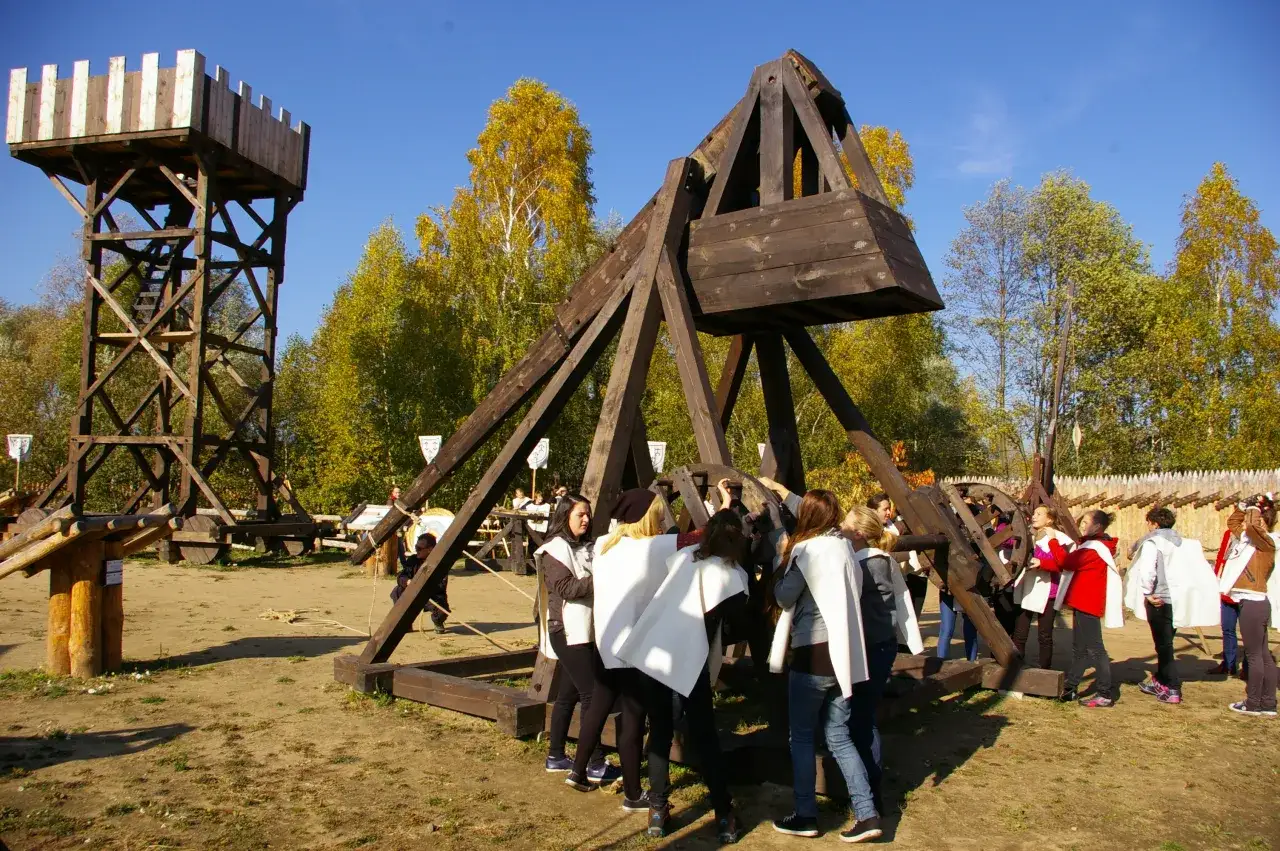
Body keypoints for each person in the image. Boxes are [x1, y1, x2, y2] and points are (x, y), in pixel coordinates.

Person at [619, 509, 749, 844]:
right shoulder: (729, 575)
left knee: (660, 732)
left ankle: (657, 810)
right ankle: (724, 814)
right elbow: (739, 623)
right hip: (687, 658)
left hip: (653, 652)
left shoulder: (685, 558)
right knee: (704, 736)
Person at [768, 490, 878, 844]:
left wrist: (780, 558)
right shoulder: (846, 548)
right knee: (839, 736)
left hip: (812, 653)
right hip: (844, 655)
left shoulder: (807, 550)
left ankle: (805, 814)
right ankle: (867, 813)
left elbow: (783, 596)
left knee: (801, 736)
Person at [565, 490, 675, 818]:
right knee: (632, 721)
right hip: (633, 650)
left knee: (597, 709)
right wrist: (726, 506)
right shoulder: (653, 547)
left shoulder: (603, 545)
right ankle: (633, 794)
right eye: (657, 513)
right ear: (644, 516)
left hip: (606, 644)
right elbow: (700, 539)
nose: (661, 519)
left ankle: (578, 770)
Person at [841, 505, 923, 836]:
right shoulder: (884, 560)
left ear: (859, 533)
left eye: (846, 523)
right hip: (882, 646)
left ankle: (870, 799)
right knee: (864, 718)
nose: (841, 526)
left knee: (859, 721)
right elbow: (900, 602)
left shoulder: (863, 565)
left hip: (868, 649)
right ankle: (871, 793)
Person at [534, 494, 620, 784]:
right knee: (592, 695)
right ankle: (594, 763)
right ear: (565, 516)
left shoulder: (587, 546)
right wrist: (606, 578)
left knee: (568, 695)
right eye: (580, 514)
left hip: (585, 629)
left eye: (587, 514)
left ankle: (556, 755)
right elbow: (567, 587)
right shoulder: (554, 550)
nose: (586, 519)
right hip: (567, 631)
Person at [1219, 496, 1277, 717]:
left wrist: (1254, 508)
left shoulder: (1266, 543)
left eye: (1253, 519)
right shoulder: (1248, 541)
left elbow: (1251, 526)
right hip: (1251, 602)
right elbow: (1233, 523)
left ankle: (1253, 703)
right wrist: (1243, 507)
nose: (1245, 524)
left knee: (1255, 656)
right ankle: (1268, 703)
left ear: (1262, 523)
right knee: (1263, 655)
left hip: (1253, 601)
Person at [1056, 510, 1121, 707]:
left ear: (1097, 526)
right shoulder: (1092, 546)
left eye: (1086, 522)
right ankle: (1071, 687)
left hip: (1088, 603)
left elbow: (1066, 562)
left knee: (1095, 650)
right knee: (1080, 649)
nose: (1082, 525)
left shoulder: (1093, 549)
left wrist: (1052, 541)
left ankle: (1104, 693)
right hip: (1081, 602)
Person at [1128, 506, 1183, 704]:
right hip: (1177, 599)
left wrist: (1147, 592)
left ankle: (1172, 687)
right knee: (1166, 643)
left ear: (1154, 523)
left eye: (1149, 523)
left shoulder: (1153, 542)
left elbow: (1148, 571)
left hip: (1159, 598)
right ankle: (1160, 680)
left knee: (1164, 645)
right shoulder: (1181, 542)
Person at [1012, 505, 1072, 669]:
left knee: (1044, 635)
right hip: (1028, 588)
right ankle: (1016, 667)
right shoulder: (1028, 535)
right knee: (1020, 632)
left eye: (1039, 514)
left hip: (1048, 591)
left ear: (1049, 519)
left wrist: (1042, 563)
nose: (1034, 516)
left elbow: (1062, 564)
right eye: (1034, 513)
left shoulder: (1059, 538)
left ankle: (1045, 670)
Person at [867, 492, 929, 621]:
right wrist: (911, 553)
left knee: (912, 619)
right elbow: (884, 554)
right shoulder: (870, 532)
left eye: (889, 509)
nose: (889, 512)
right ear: (873, 511)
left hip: (906, 578)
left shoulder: (892, 525)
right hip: (886, 583)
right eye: (885, 509)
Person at [390, 533, 448, 633]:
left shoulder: (439, 563)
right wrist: (407, 581)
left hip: (431, 596)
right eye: (416, 547)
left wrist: (424, 588)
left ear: (430, 549)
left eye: (419, 548)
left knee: (441, 608)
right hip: (413, 593)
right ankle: (406, 623)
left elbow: (441, 586)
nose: (416, 550)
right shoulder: (413, 560)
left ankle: (438, 621)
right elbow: (401, 576)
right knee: (397, 591)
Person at [1211, 526, 1247, 679]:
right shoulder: (1229, 534)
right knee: (1227, 628)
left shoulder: (1256, 537)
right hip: (1227, 589)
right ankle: (1228, 664)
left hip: (1246, 589)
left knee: (1247, 632)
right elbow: (1221, 558)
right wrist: (1216, 580)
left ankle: (1248, 668)